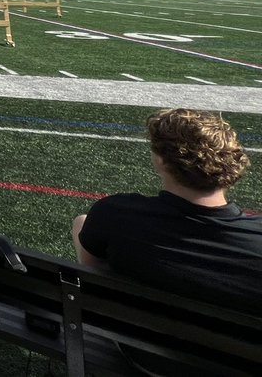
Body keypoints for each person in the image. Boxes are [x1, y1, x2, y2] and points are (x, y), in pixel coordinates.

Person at [72, 108, 261, 307]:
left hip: (131, 333)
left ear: (161, 161)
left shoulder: (116, 214)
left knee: (81, 223)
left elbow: (92, 273)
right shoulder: (255, 240)